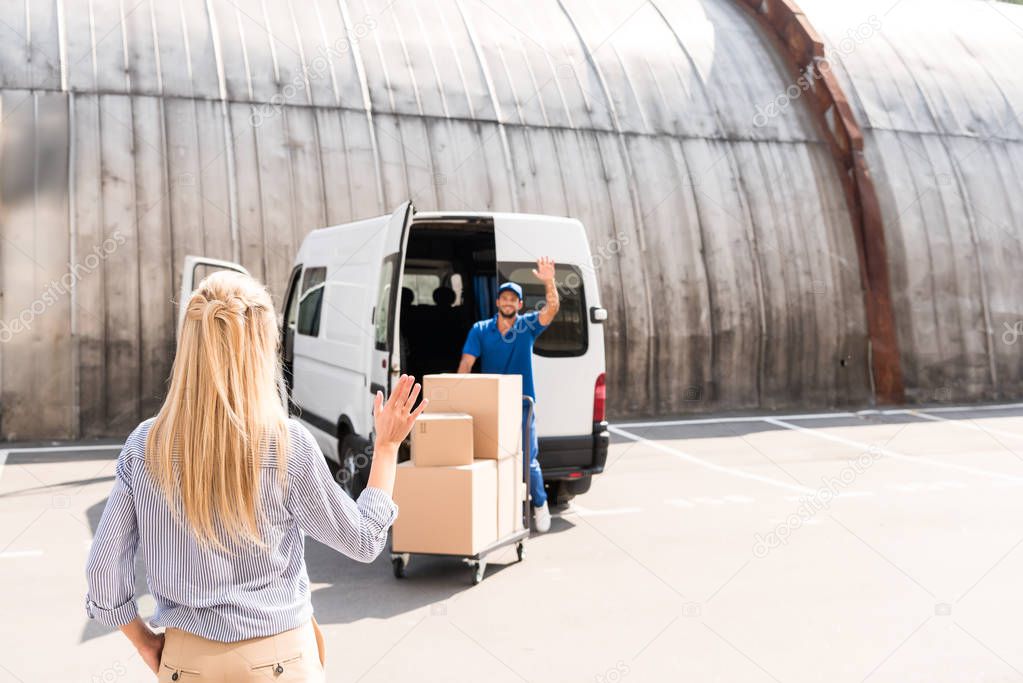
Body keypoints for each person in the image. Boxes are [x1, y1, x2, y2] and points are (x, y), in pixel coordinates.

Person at [84, 270, 427, 681]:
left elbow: (103, 573)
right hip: (281, 660)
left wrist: (144, 641)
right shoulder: (287, 444)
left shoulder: (145, 445)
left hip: (185, 662)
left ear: (190, 347)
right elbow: (363, 540)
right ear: (262, 350)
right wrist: (387, 447)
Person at [457, 256, 560, 532]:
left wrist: (549, 280)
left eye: (513, 299)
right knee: (495, 459)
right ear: (497, 303)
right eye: (504, 298)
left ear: (520, 305)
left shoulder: (527, 326)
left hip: (523, 405)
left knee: (529, 459)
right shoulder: (480, 330)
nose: (508, 302)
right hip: (493, 405)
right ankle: (505, 511)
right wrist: (458, 397)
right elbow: (466, 364)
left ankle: (540, 504)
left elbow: (552, 309)